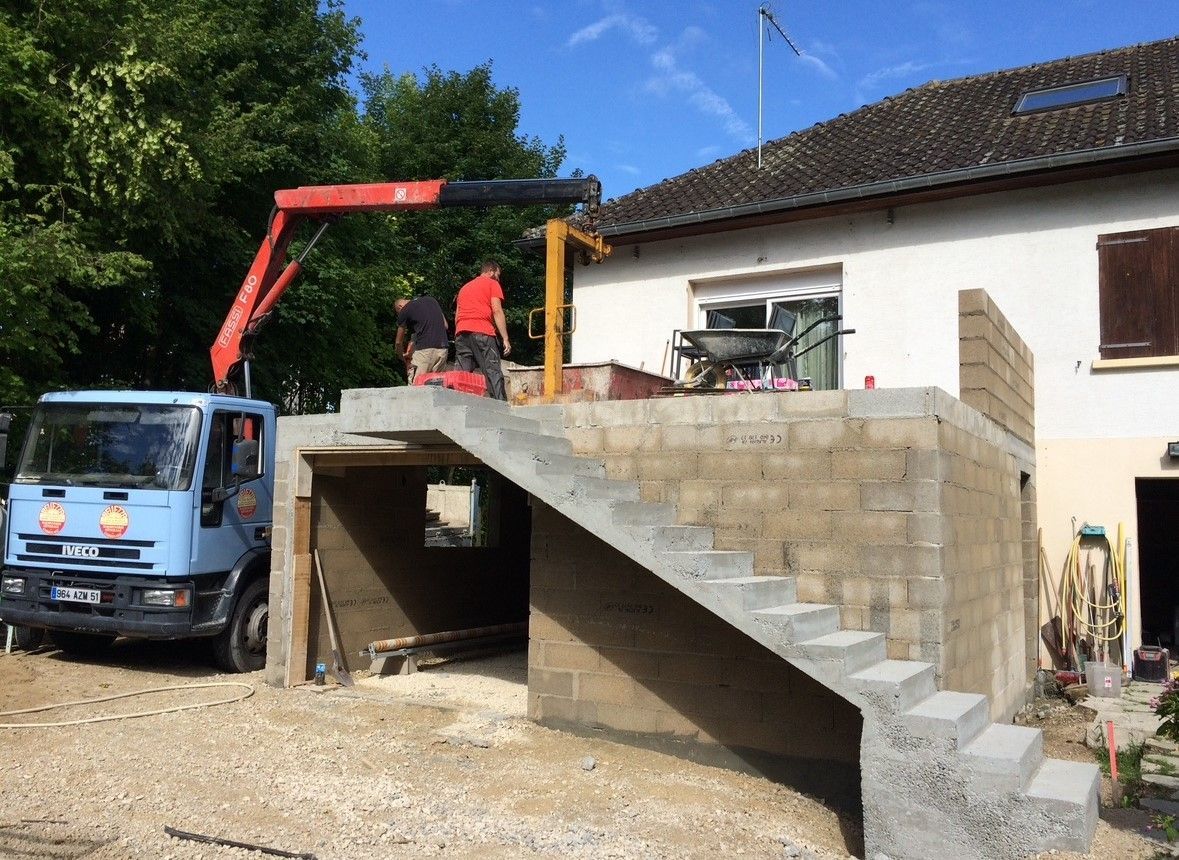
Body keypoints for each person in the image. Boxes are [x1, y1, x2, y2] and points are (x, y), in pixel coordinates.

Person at [453, 260, 511, 400]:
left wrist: (459, 332)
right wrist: (505, 338)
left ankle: (457, 402)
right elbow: (497, 310)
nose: (498, 278)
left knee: (462, 375)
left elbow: (457, 316)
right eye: (497, 274)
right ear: (491, 271)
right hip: (483, 332)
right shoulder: (492, 284)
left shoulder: (464, 288)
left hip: (461, 333)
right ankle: (500, 405)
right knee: (492, 371)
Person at [394, 295, 449, 383]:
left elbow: (398, 342)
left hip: (424, 352)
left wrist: (402, 358)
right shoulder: (432, 300)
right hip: (443, 349)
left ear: (400, 307)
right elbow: (445, 325)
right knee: (437, 385)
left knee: (416, 385)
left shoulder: (405, 310)